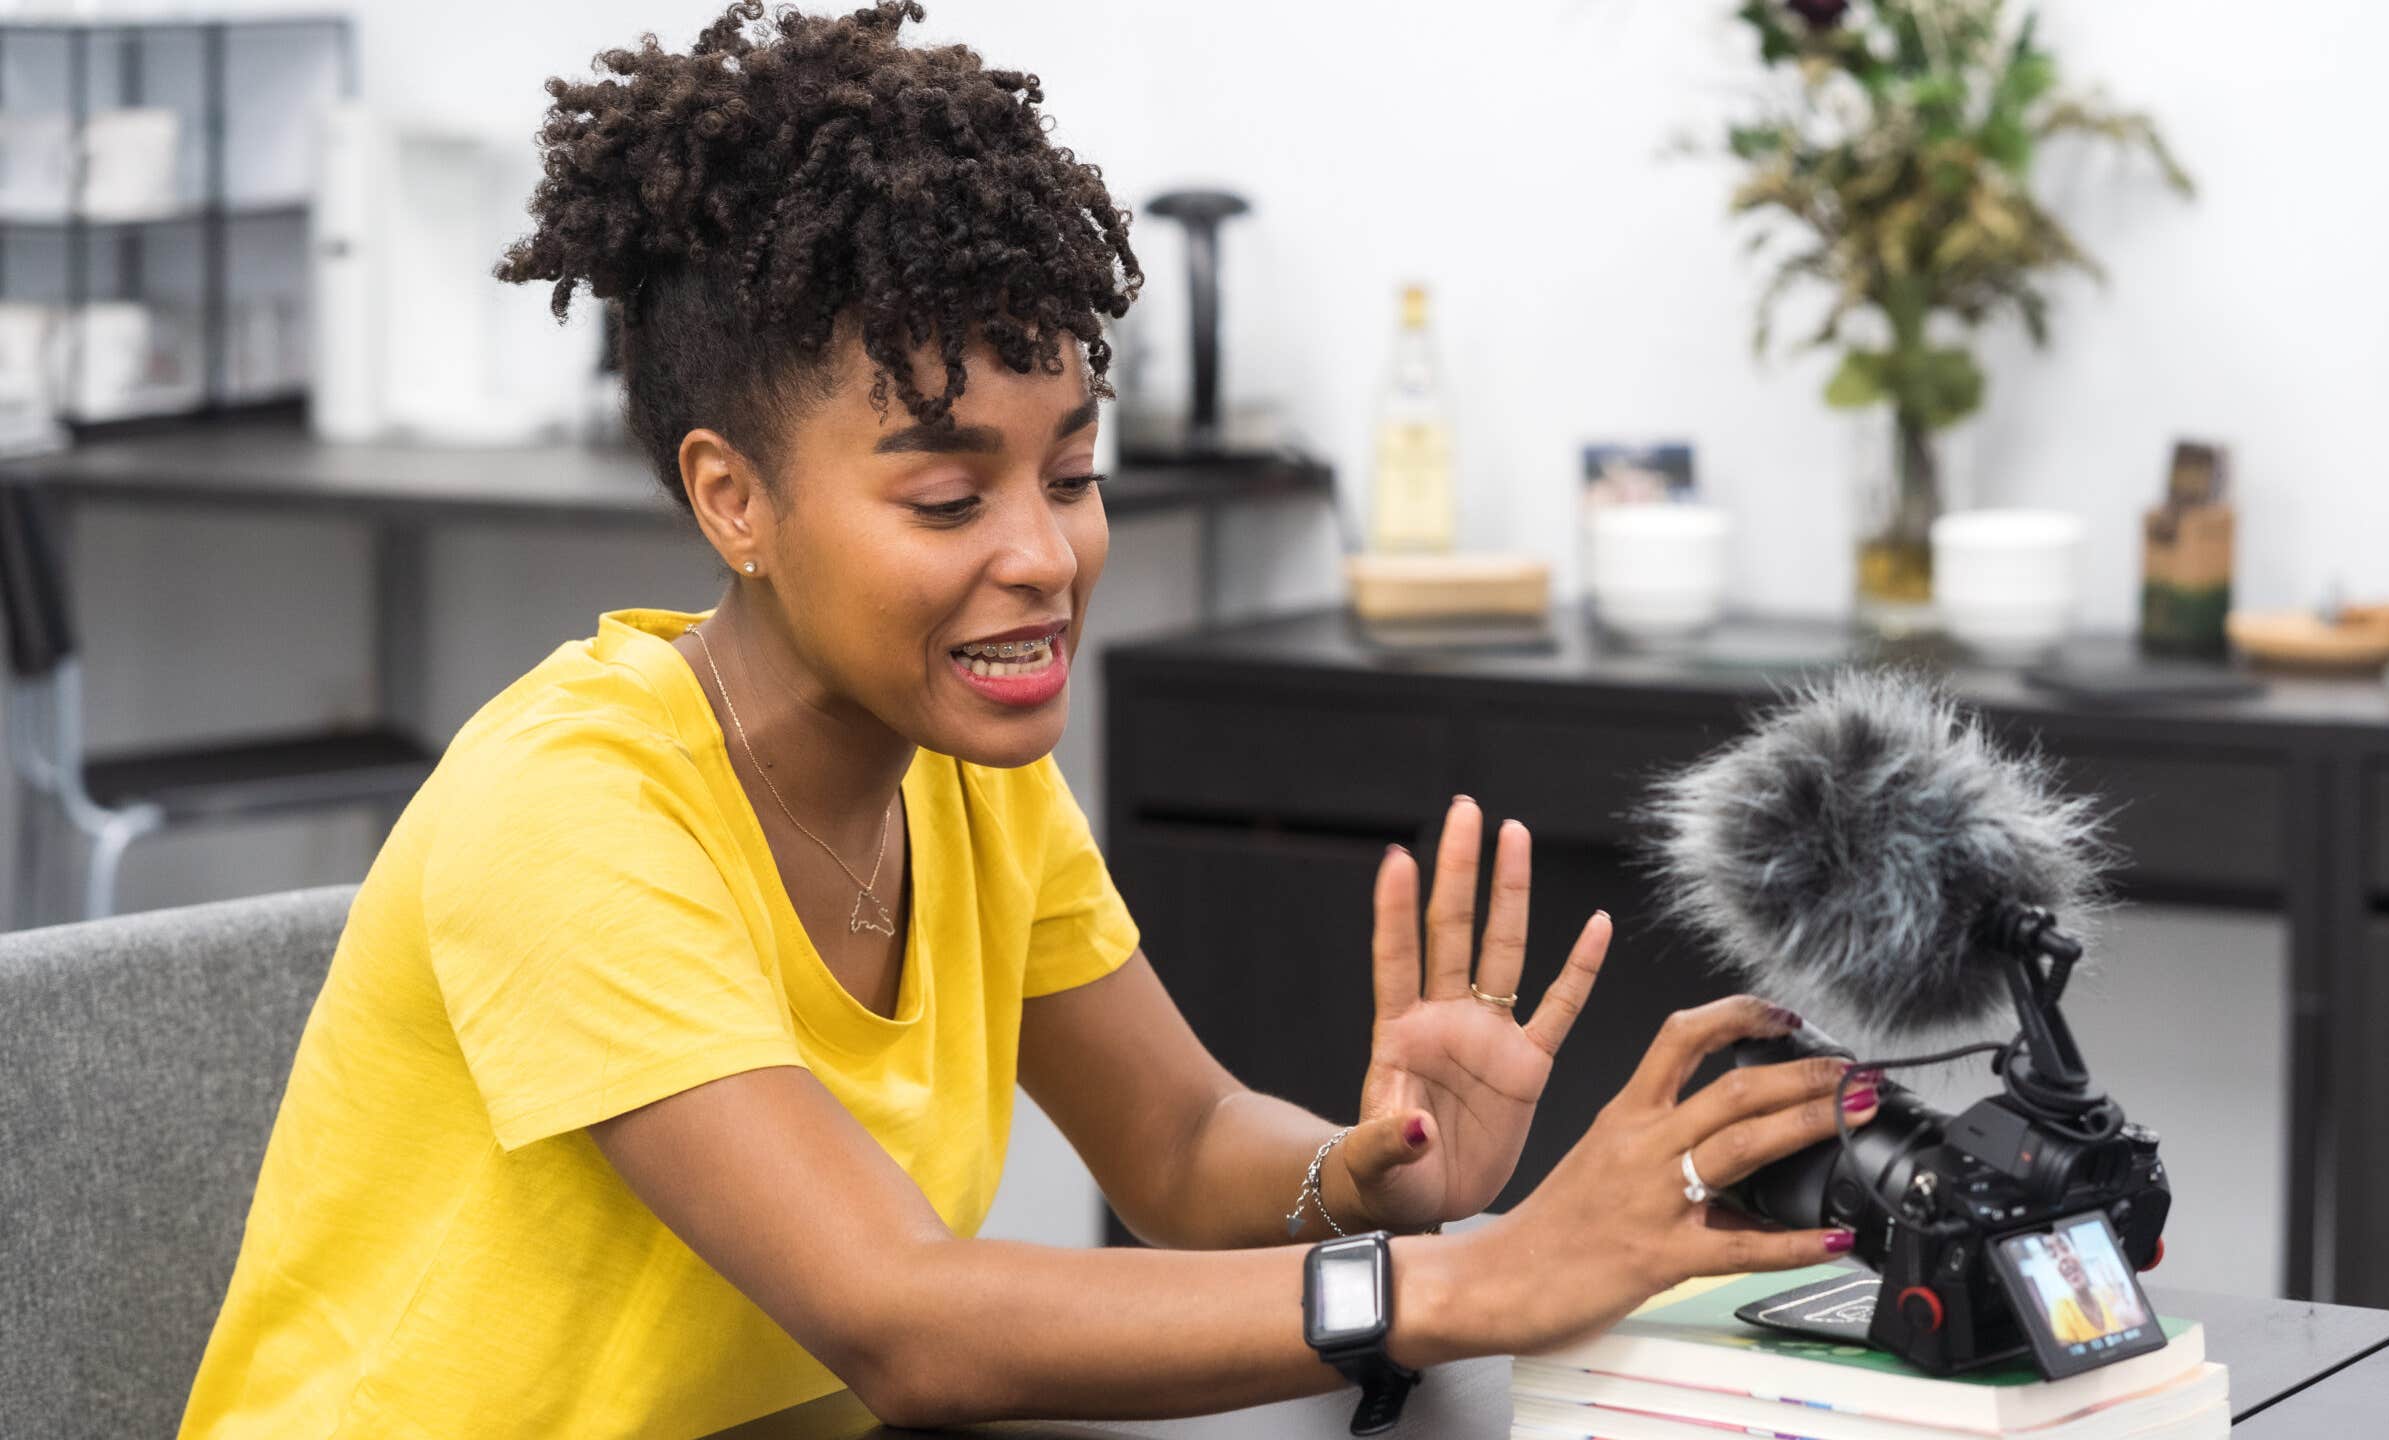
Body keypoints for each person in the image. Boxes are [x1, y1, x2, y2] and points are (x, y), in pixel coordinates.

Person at [175, 5, 1875, 1435]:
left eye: (1071, 475)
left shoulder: (957, 772)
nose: (1045, 558)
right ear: (732, 498)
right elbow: (905, 1322)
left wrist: (1372, 1179)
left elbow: (1183, 1146)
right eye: (945, 499)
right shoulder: (573, 811)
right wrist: (1461, 1282)